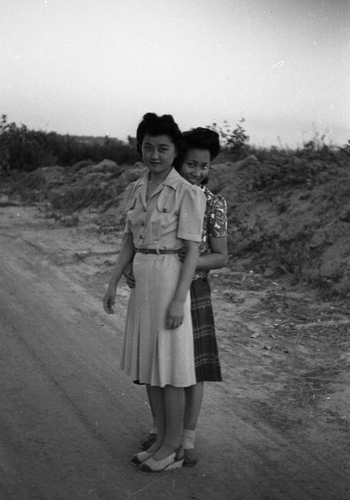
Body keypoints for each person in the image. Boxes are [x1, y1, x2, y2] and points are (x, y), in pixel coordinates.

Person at [103, 113, 206, 472]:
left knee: (172, 369)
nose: (155, 155)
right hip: (143, 278)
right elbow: (129, 239)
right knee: (150, 367)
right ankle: (161, 440)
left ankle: (175, 448)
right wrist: (114, 280)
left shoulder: (188, 193)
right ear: (140, 148)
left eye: (163, 148)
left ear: (175, 151)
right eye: (148, 147)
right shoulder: (136, 188)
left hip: (169, 278)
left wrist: (179, 299)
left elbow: (192, 250)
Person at [125, 127, 227, 466]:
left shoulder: (212, 203)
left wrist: (188, 260)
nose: (197, 173)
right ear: (178, 162)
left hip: (191, 288)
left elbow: (220, 256)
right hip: (162, 282)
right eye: (191, 165)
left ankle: (187, 439)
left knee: (192, 368)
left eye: (205, 167)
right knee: (159, 362)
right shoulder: (166, 191)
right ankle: (161, 431)